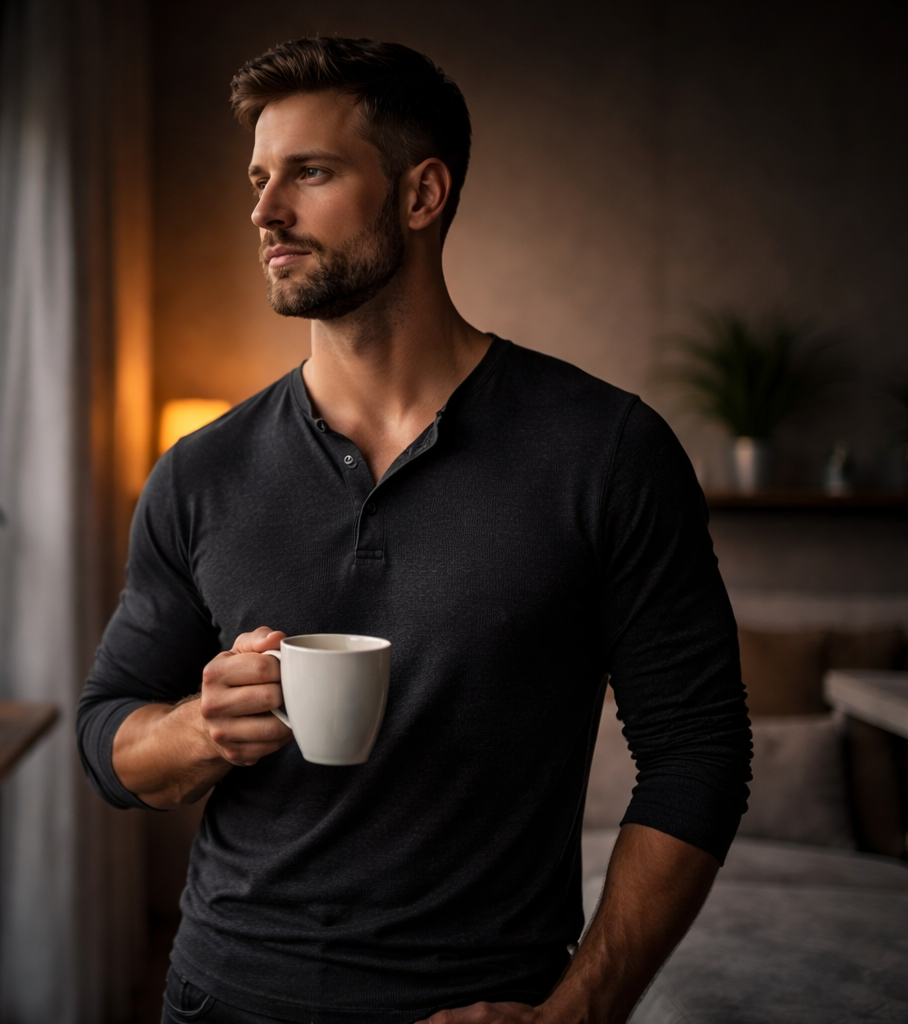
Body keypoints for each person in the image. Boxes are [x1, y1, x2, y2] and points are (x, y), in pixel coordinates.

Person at [76, 36, 752, 1024]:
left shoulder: (608, 451)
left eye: (309, 173)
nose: (264, 211)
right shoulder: (200, 470)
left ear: (421, 194)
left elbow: (700, 749)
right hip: (219, 997)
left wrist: (579, 1013)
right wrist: (198, 727)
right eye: (260, 178)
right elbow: (107, 734)